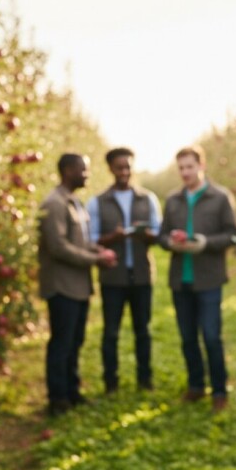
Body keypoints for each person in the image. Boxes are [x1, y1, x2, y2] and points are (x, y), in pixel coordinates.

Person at [160, 146, 236, 412]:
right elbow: (161, 236)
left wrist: (205, 243)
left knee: (211, 336)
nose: (185, 172)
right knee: (187, 337)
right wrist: (170, 241)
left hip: (208, 279)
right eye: (181, 168)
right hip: (180, 279)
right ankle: (196, 386)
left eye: (189, 167)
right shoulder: (172, 200)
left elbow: (231, 235)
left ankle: (219, 390)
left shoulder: (220, 197)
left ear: (200, 166)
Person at [38, 153, 116, 417]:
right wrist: (95, 260)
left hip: (78, 286)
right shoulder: (54, 204)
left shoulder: (75, 203)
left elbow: (79, 241)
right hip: (62, 286)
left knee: (75, 341)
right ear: (68, 170)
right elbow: (59, 247)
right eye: (83, 170)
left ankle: (72, 391)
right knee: (62, 342)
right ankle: (57, 398)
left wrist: (98, 250)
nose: (87, 174)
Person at [87, 147, 162, 394]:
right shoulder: (98, 202)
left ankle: (145, 379)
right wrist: (114, 237)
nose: (124, 172)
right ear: (110, 169)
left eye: (128, 167)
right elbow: (93, 240)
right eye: (119, 167)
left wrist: (147, 234)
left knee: (144, 331)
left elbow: (158, 235)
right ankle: (111, 382)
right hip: (113, 278)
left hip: (141, 275)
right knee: (111, 333)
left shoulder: (147, 199)